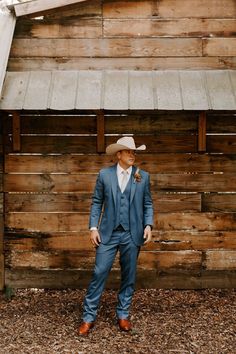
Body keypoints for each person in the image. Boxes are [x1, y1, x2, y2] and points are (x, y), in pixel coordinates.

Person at [78, 136, 153, 335]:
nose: (132, 155)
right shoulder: (104, 175)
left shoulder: (142, 176)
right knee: (99, 272)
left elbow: (147, 204)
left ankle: (123, 315)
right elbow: (96, 202)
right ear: (118, 154)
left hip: (132, 233)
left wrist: (148, 225)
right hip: (108, 233)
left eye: (134, 152)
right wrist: (93, 227)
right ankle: (88, 317)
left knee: (129, 276)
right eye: (129, 151)